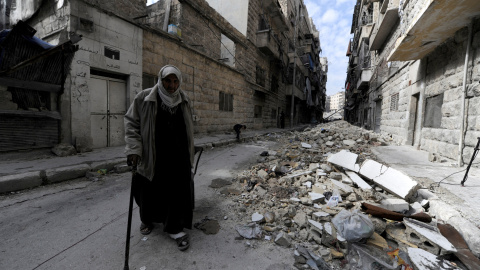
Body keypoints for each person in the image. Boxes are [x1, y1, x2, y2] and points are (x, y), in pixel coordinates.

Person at [124, 65, 195, 251]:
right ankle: (147, 220)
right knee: (147, 190)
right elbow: (131, 124)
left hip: (178, 156)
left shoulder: (184, 100)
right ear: (160, 79)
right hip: (152, 155)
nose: (172, 86)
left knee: (178, 192)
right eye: (168, 81)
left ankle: (175, 228)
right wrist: (133, 149)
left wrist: (191, 148)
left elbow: (188, 126)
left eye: (175, 81)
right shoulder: (144, 98)